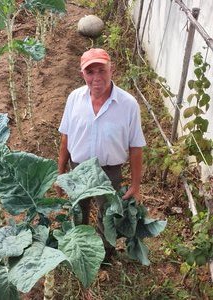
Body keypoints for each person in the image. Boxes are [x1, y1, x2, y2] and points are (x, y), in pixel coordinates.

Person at [57, 48, 146, 261]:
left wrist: (135, 185)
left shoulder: (128, 104)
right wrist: (60, 174)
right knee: (78, 212)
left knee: (108, 214)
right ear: (82, 75)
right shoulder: (74, 99)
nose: (96, 77)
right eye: (90, 72)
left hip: (110, 171)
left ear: (111, 70)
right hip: (78, 168)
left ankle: (105, 254)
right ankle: (81, 254)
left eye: (101, 70)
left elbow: (136, 148)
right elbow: (65, 139)